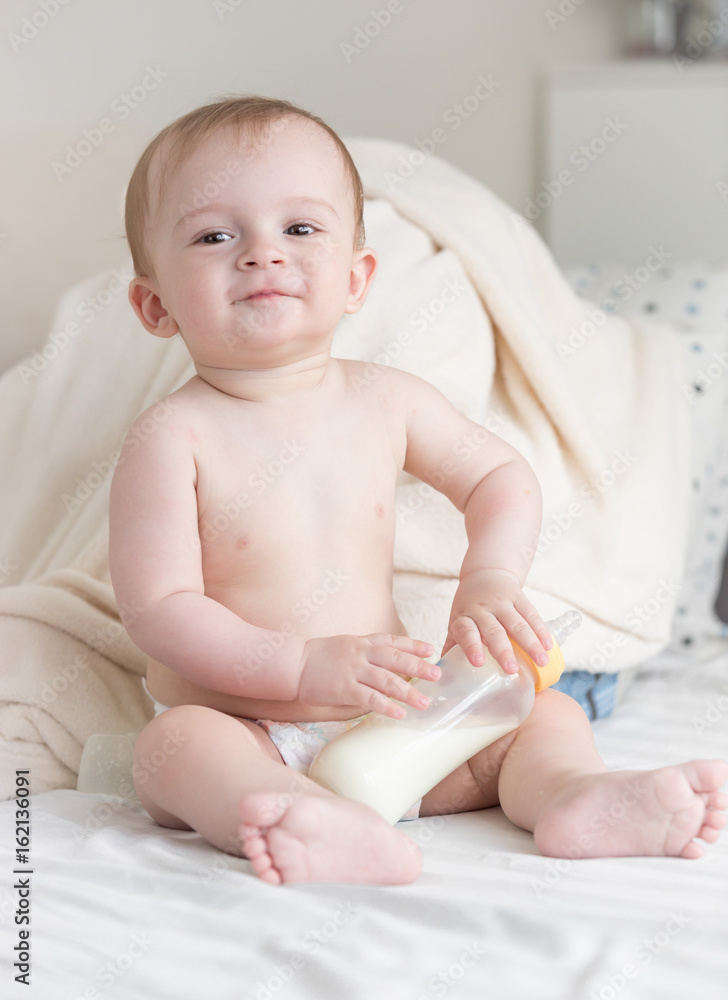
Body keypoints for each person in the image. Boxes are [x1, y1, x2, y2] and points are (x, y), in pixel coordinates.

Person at [109, 95, 728, 886]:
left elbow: (500, 476)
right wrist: (299, 667)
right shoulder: (171, 436)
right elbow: (159, 611)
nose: (262, 254)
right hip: (249, 724)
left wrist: (490, 579)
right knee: (171, 752)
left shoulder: (386, 399)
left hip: (392, 721)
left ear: (357, 277)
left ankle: (576, 797)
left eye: (299, 229)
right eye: (215, 235)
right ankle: (286, 813)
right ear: (154, 303)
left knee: (542, 715)